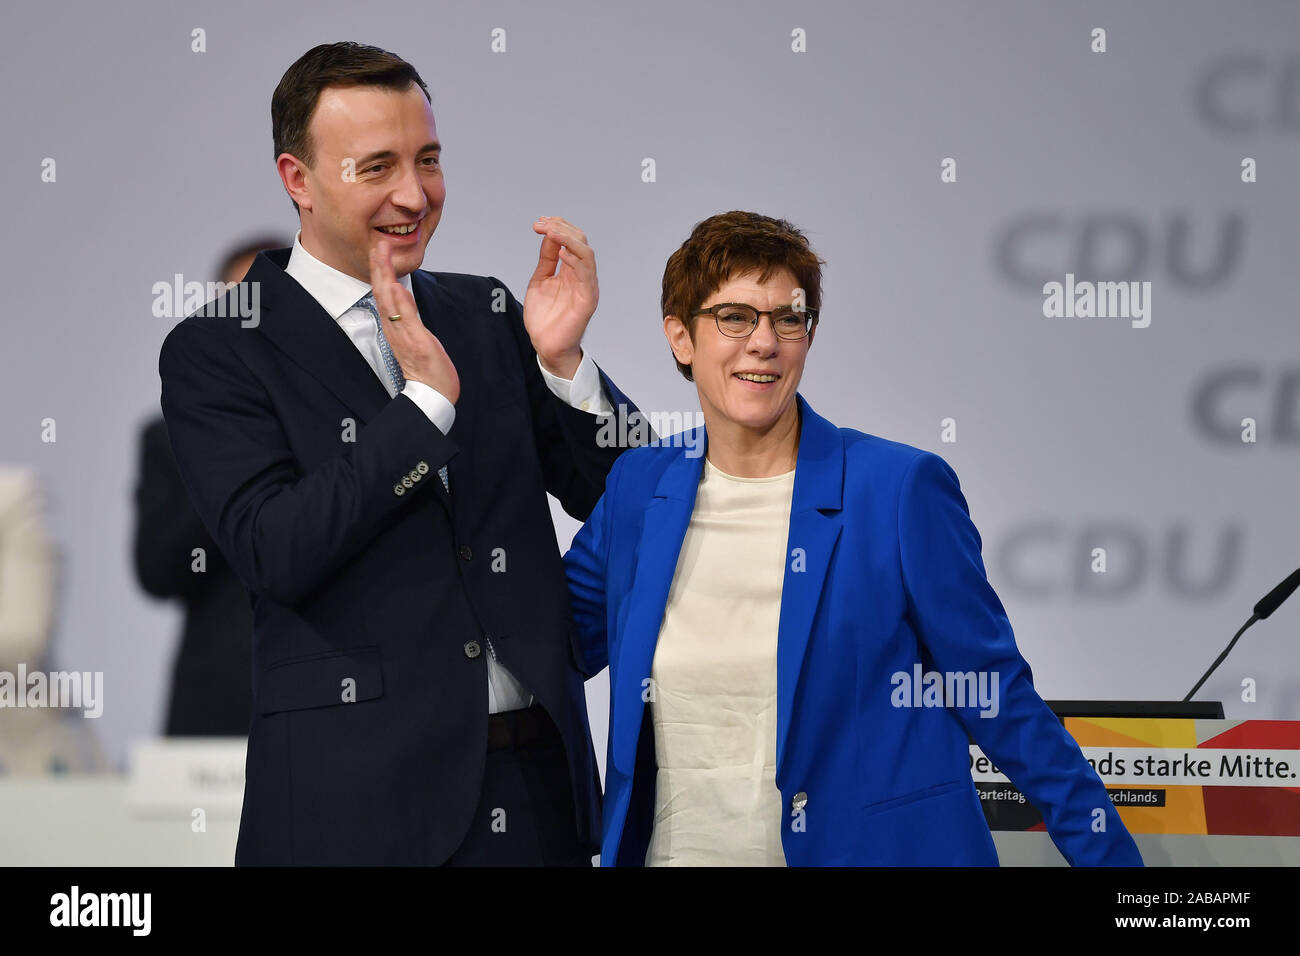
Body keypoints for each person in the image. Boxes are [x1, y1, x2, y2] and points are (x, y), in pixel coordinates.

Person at [159, 42, 635, 865]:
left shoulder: (485, 311)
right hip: (353, 806)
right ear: (297, 179)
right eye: (377, 166)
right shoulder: (219, 349)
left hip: (533, 791)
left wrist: (564, 364)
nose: (414, 195)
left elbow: (627, 501)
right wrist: (423, 409)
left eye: (429, 160)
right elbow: (277, 548)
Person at [564, 210, 1144, 866]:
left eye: (789, 318)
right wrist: (552, 369)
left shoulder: (897, 490)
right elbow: (547, 644)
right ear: (681, 337)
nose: (764, 342)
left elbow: (999, 698)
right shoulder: (640, 490)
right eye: (735, 317)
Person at [134, 236, 286, 737]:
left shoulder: (349, 425)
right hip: (215, 704)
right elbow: (157, 572)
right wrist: (234, 457)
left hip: (334, 699)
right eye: (236, 305)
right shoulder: (170, 437)